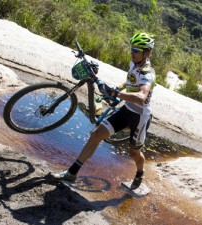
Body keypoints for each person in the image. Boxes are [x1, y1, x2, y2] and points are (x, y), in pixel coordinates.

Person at [52, 32, 156, 189]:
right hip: (126, 110)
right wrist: (117, 89)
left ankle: (140, 172)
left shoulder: (147, 73)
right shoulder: (133, 64)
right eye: (131, 49)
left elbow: (141, 96)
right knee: (96, 135)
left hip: (140, 117)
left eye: (136, 50)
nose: (132, 53)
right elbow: (129, 82)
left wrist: (115, 93)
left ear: (146, 53)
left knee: (134, 153)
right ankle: (71, 173)